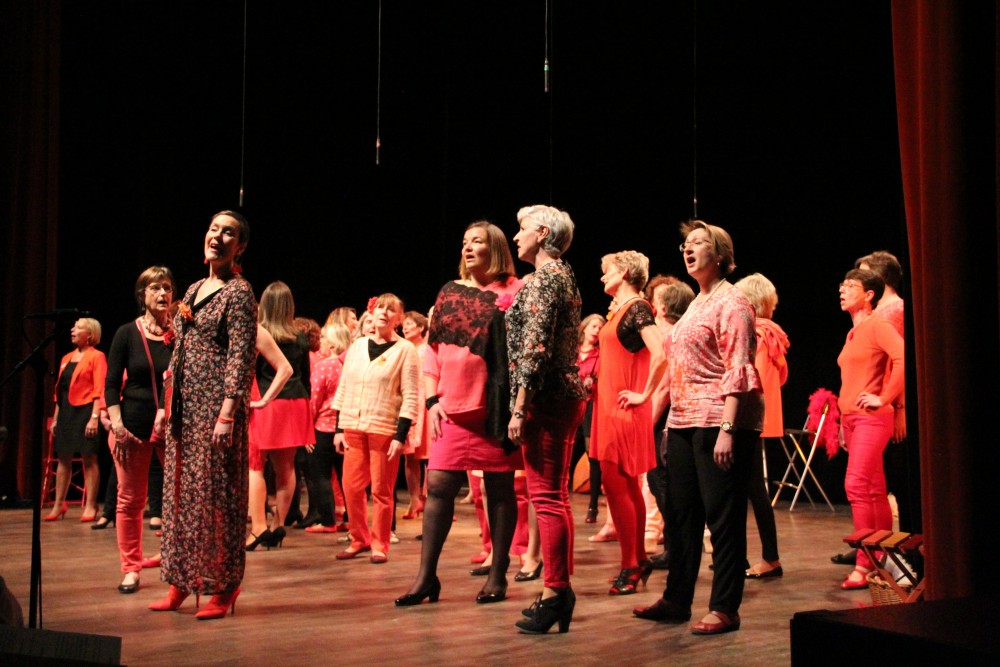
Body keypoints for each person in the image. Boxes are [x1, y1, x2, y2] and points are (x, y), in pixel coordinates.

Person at [634, 220, 763, 636]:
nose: (688, 250)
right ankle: (677, 599)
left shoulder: (733, 302)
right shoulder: (696, 303)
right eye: (685, 245)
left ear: (720, 254)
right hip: (684, 421)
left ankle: (725, 607)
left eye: (699, 243)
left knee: (722, 518)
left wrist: (728, 428)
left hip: (717, 420)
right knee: (680, 515)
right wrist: (667, 422)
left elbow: (738, 368)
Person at [395, 221, 523, 606]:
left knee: (499, 488)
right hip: (450, 407)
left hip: (494, 410)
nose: (467, 247)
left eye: (477, 241)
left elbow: (523, 352)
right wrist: (431, 402)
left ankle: (498, 573)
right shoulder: (450, 291)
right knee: (437, 486)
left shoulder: (514, 291)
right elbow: (432, 352)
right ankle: (425, 578)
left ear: (495, 248)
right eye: (465, 241)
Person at [149, 210, 257, 620]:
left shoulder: (239, 293)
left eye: (228, 233)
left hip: (215, 409)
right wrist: (166, 405)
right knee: (181, 496)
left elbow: (241, 356)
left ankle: (224, 586)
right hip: (184, 409)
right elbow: (179, 348)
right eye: (214, 228)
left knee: (218, 497)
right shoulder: (194, 287)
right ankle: (181, 580)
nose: (218, 236)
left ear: (239, 247)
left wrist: (227, 413)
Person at [506, 205, 587, 634]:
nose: (515, 236)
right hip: (563, 394)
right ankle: (558, 589)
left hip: (547, 398)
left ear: (541, 233)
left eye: (521, 229)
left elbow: (535, 348)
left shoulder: (543, 279)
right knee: (556, 496)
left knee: (548, 498)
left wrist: (520, 407)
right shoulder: (564, 275)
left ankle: (556, 592)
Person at [589, 251, 666, 595]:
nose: (602, 276)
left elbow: (661, 353)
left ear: (623, 272)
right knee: (626, 486)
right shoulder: (621, 310)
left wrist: (643, 394)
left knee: (617, 485)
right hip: (610, 407)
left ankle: (630, 565)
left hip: (622, 409)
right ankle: (637, 559)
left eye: (607, 271)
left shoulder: (637, 308)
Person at [103, 267, 176, 594]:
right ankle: (131, 569)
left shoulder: (179, 333)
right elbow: (110, 384)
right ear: (142, 294)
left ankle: (174, 560)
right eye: (155, 288)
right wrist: (117, 425)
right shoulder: (126, 333)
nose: (163, 294)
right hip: (131, 428)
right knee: (130, 500)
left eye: (167, 288)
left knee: (179, 499)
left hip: (171, 427)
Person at [333, 293, 419, 564]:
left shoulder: (405, 350)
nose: (383, 313)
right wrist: (338, 428)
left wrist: (400, 435)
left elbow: (410, 395)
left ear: (399, 318)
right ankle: (359, 538)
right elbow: (344, 387)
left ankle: (380, 543)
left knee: (381, 490)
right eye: (380, 308)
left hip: (384, 428)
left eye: (390, 309)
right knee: (351, 487)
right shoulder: (358, 346)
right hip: (353, 426)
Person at [835, 268, 904, 590]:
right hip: (852, 419)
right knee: (874, 489)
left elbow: (902, 356)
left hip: (871, 418)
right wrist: (841, 421)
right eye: (842, 285)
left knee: (857, 485)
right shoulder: (854, 332)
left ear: (869, 295)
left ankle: (864, 564)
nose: (842, 289)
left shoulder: (878, 324)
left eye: (850, 286)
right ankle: (883, 558)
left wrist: (885, 397)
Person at [246, 281, 314, 550]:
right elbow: (306, 378)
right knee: (286, 468)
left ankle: (258, 528)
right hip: (296, 403)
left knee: (256, 466)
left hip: (266, 403)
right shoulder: (300, 337)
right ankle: (279, 525)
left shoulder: (258, 334)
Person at [735, 273, 788, 579]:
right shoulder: (772, 333)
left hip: (747, 418)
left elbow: (749, 378)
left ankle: (768, 558)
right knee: (751, 488)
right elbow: (781, 376)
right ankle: (746, 556)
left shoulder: (756, 333)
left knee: (751, 488)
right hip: (759, 419)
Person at [646, 277, 696, 569]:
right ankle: (675, 547)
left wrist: (646, 424)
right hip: (673, 415)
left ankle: (678, 550)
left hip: (667, 417)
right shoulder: (681, 332)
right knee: (664, 483)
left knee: (662, 482)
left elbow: (665, 388)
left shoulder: (670, 336)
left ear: (663, 307)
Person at [47, 318, 107, 522]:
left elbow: (99, 389)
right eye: (73, 326)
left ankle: (91, 505)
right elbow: (60, 392)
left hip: (86, 411)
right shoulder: (66, 357)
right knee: (63, 458)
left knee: (89, 458)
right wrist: (56, 418)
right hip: (67, 412)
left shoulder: (97, 356)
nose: (72, 330)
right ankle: (58, 504)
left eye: (78, 327)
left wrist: (94, 417)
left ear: (89, 334)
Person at [304, 321, 349, 534]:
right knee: (344, 476)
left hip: (322, 427)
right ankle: (349, 519)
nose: (320, 341)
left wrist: (307, 428)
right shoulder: (348, 364)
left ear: (331, 343)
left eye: (323, 338)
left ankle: (327, 520)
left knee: (320, 475)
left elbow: (314, 399)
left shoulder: (324, 366)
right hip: (344, 427)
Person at [571, 314, 604, 525]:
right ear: (584, 328)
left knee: (592, 454)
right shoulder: (572, 351)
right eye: (593, 326)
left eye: (600, 327)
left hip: (591, 405)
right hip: (571, 403)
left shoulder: (601, 354)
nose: (596, 330)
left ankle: (593, 506)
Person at [400, 311, 429, 520]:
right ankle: (414, 499)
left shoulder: (427, 349)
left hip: (425, 404)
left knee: (429, 457)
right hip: (409, 403)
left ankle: (430, 499)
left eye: (410, 324)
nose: (405, 327)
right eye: (404, 325)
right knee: (409, 455)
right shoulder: (403, 349)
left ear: (421, 327)